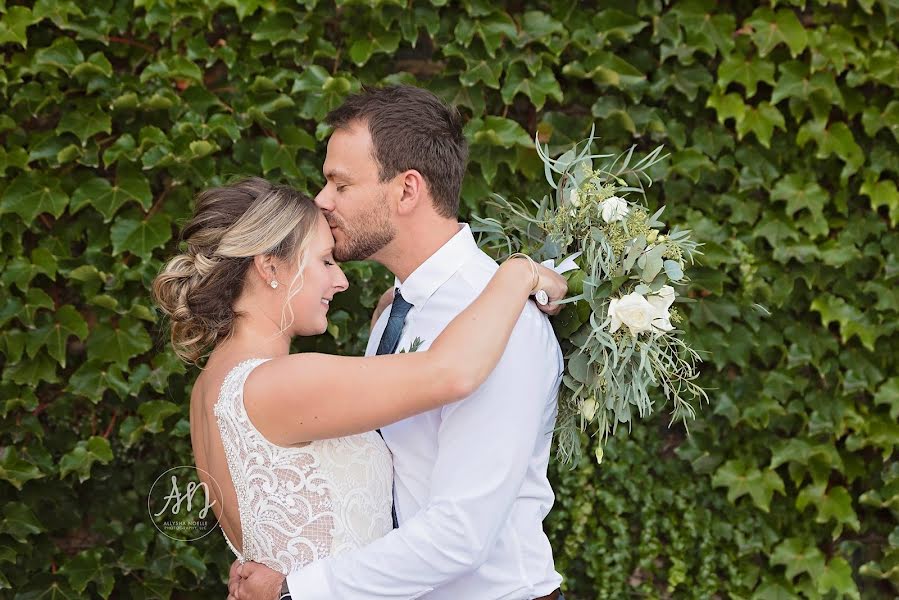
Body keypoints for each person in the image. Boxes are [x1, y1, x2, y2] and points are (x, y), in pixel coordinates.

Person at [230, 86, 566, 600]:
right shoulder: (396, 309)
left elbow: (461, 534)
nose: (322, 201)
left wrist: (296, 592)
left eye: (340, 184)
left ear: (407, 191)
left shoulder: (504, 321)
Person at [150, 178, 566, 590]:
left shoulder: (211, 387)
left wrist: (399, 315)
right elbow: (450, 371)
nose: (341, 281)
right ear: (270, 266)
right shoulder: (283, 383)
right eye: (325, 261)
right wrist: (516, 274)